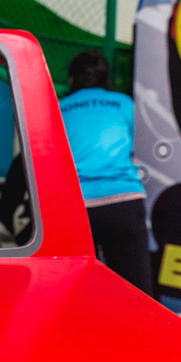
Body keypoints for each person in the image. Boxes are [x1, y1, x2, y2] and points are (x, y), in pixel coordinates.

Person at [59, 51, 152, 294]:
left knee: (74, 291)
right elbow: (135, 146)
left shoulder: (58, 108)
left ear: (71, 79)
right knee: (136, 294)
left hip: (77, 207)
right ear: (105, 78)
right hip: (123, 202)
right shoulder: (123, 103)